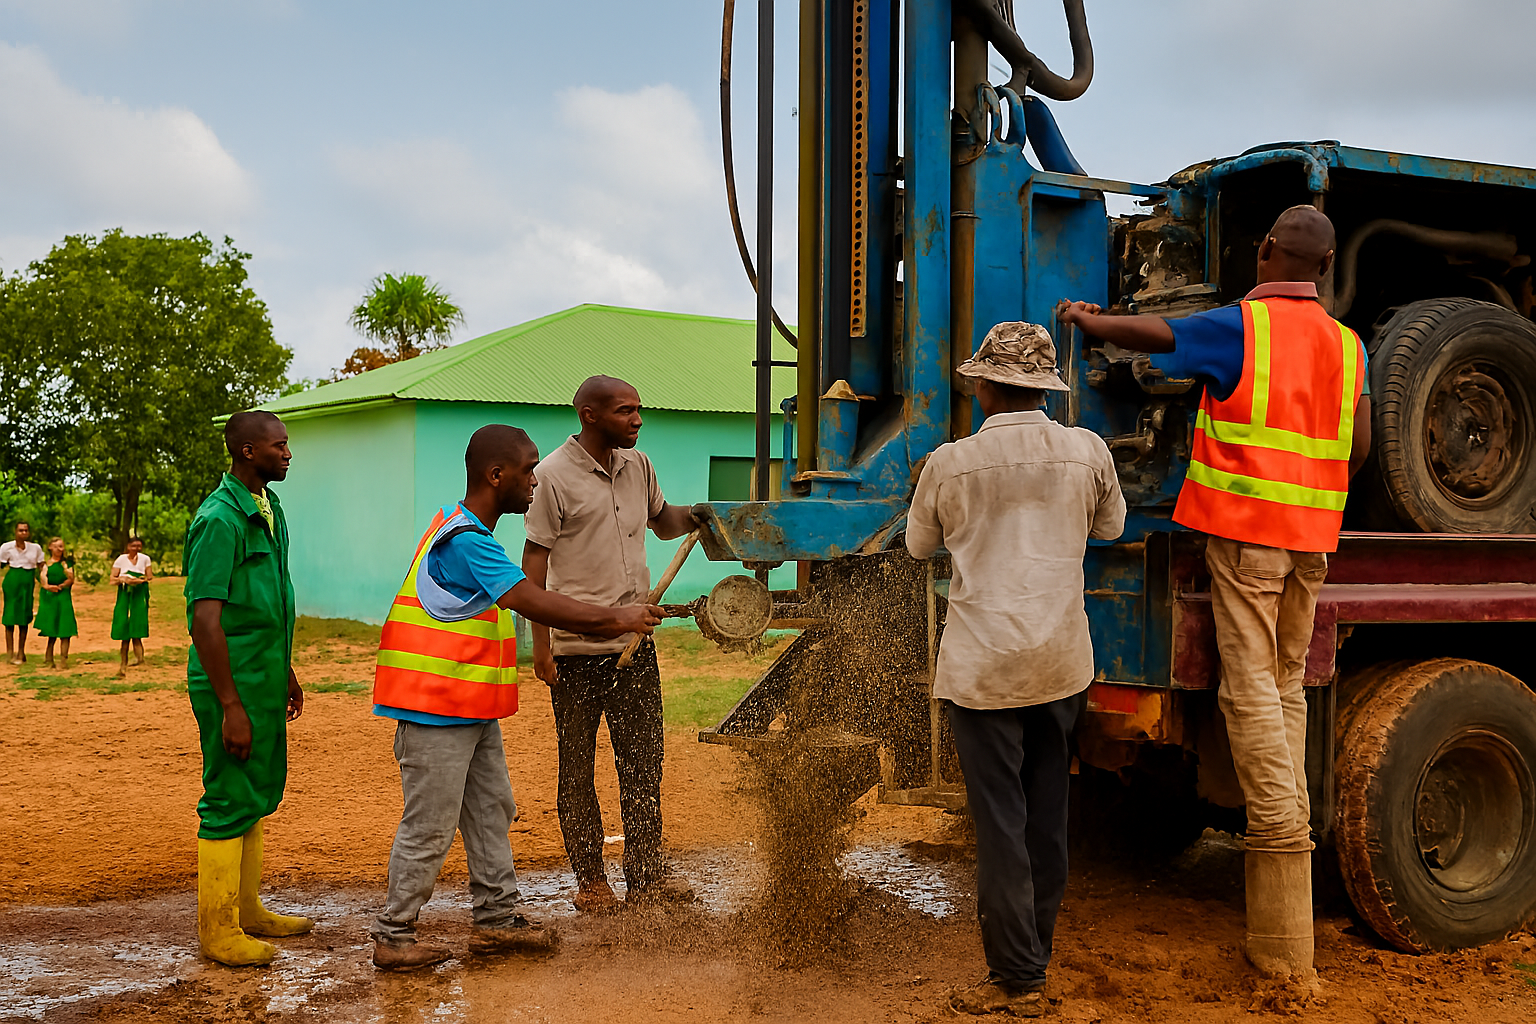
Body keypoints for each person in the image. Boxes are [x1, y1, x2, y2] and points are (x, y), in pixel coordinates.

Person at [1057, 205, 1370, 978]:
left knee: (1250, 692)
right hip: (1312, 542)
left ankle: (1281, 854)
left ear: (1265, 251)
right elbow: (1360, 444)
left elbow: (1160, 336)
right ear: (1327, 266)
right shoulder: (1349, 344)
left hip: (1248, 538)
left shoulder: (1243, 327)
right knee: (1286, 684)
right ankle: (1288, 857)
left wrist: (1091, 324)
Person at [370, 424, 665, 971]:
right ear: (495, 475)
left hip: (468, 709)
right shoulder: (467, 543)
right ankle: (394, 934)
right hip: (434, 709)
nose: (535, 480)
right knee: (429, 825)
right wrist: (618, 617)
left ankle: (497, 921)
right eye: (528, 470)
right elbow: (535, 601)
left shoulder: (458, 527)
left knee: (491, 810)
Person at [906, 323, 1125, 1018]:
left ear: (984, 386)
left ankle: (1018, 979)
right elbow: (1111, 529)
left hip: (983, 669)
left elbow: (918, 547)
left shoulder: (950, 462)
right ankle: (1037, 955)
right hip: (1060, 662)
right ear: (1045, 388)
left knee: (1001, 824)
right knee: (1047, 816)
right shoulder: (1088, 451)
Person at [522, 376, 702, 914]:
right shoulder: (551, 476)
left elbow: (665, 523)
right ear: (589, 415)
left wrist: (704, 513)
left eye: (638, 409)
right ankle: (591, 881)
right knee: (577, 768)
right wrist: (541, 647)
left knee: (644, 765)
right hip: (575, 651)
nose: (637, 419)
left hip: (634, 646)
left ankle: (646, 878)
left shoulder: (639, 465)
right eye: (625, 411)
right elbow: (534, 563)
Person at [185, 410, 314, 967]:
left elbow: (269, 602)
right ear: (246, 451)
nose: (287, 453)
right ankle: (218, 932)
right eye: (278, 445)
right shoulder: (219, 518)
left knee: (253, 795)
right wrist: (230, 705)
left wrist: (284, 669)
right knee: (228, 798)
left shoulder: (267, 507)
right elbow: (204, 620)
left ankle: (247, 910)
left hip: (263, 675)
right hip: (231, 684)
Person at [1, 521, 45, 664]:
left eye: (26, 530)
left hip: (27, 582)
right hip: (12, 582)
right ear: (15, 532)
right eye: (20, 530)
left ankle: (21, 651)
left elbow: (41, 566)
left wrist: (45, 581)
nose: (23, 533)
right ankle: (9, 652)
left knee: (24, 616)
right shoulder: (6, 547)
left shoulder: (35, 548)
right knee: (10, 616)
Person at [110, 537, 154, 677]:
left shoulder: (145, 559)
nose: (136, 548)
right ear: (128, 546)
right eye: (134, 546)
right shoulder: (121, 559)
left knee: (138, 620)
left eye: (139, 546)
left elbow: (149, 577)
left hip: (139, 591)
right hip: (124, 591)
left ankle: (140, 659)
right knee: (124, 619)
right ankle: (125, 660)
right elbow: (112, 579)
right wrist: (123, 579)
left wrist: (139, 580)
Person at [36, 537, 77, 669]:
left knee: (65, 629)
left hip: (63, 598)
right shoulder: (46, 565)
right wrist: (48, 587)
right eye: (56, 546)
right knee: (51, 628)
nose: (59, 549)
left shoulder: (67, 564)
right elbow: (43, 580)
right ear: (50, 548)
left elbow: (71, 578)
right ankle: (49, 659)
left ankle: (63, 660)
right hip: (51, 599)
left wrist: (63, 585)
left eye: (61, 546)